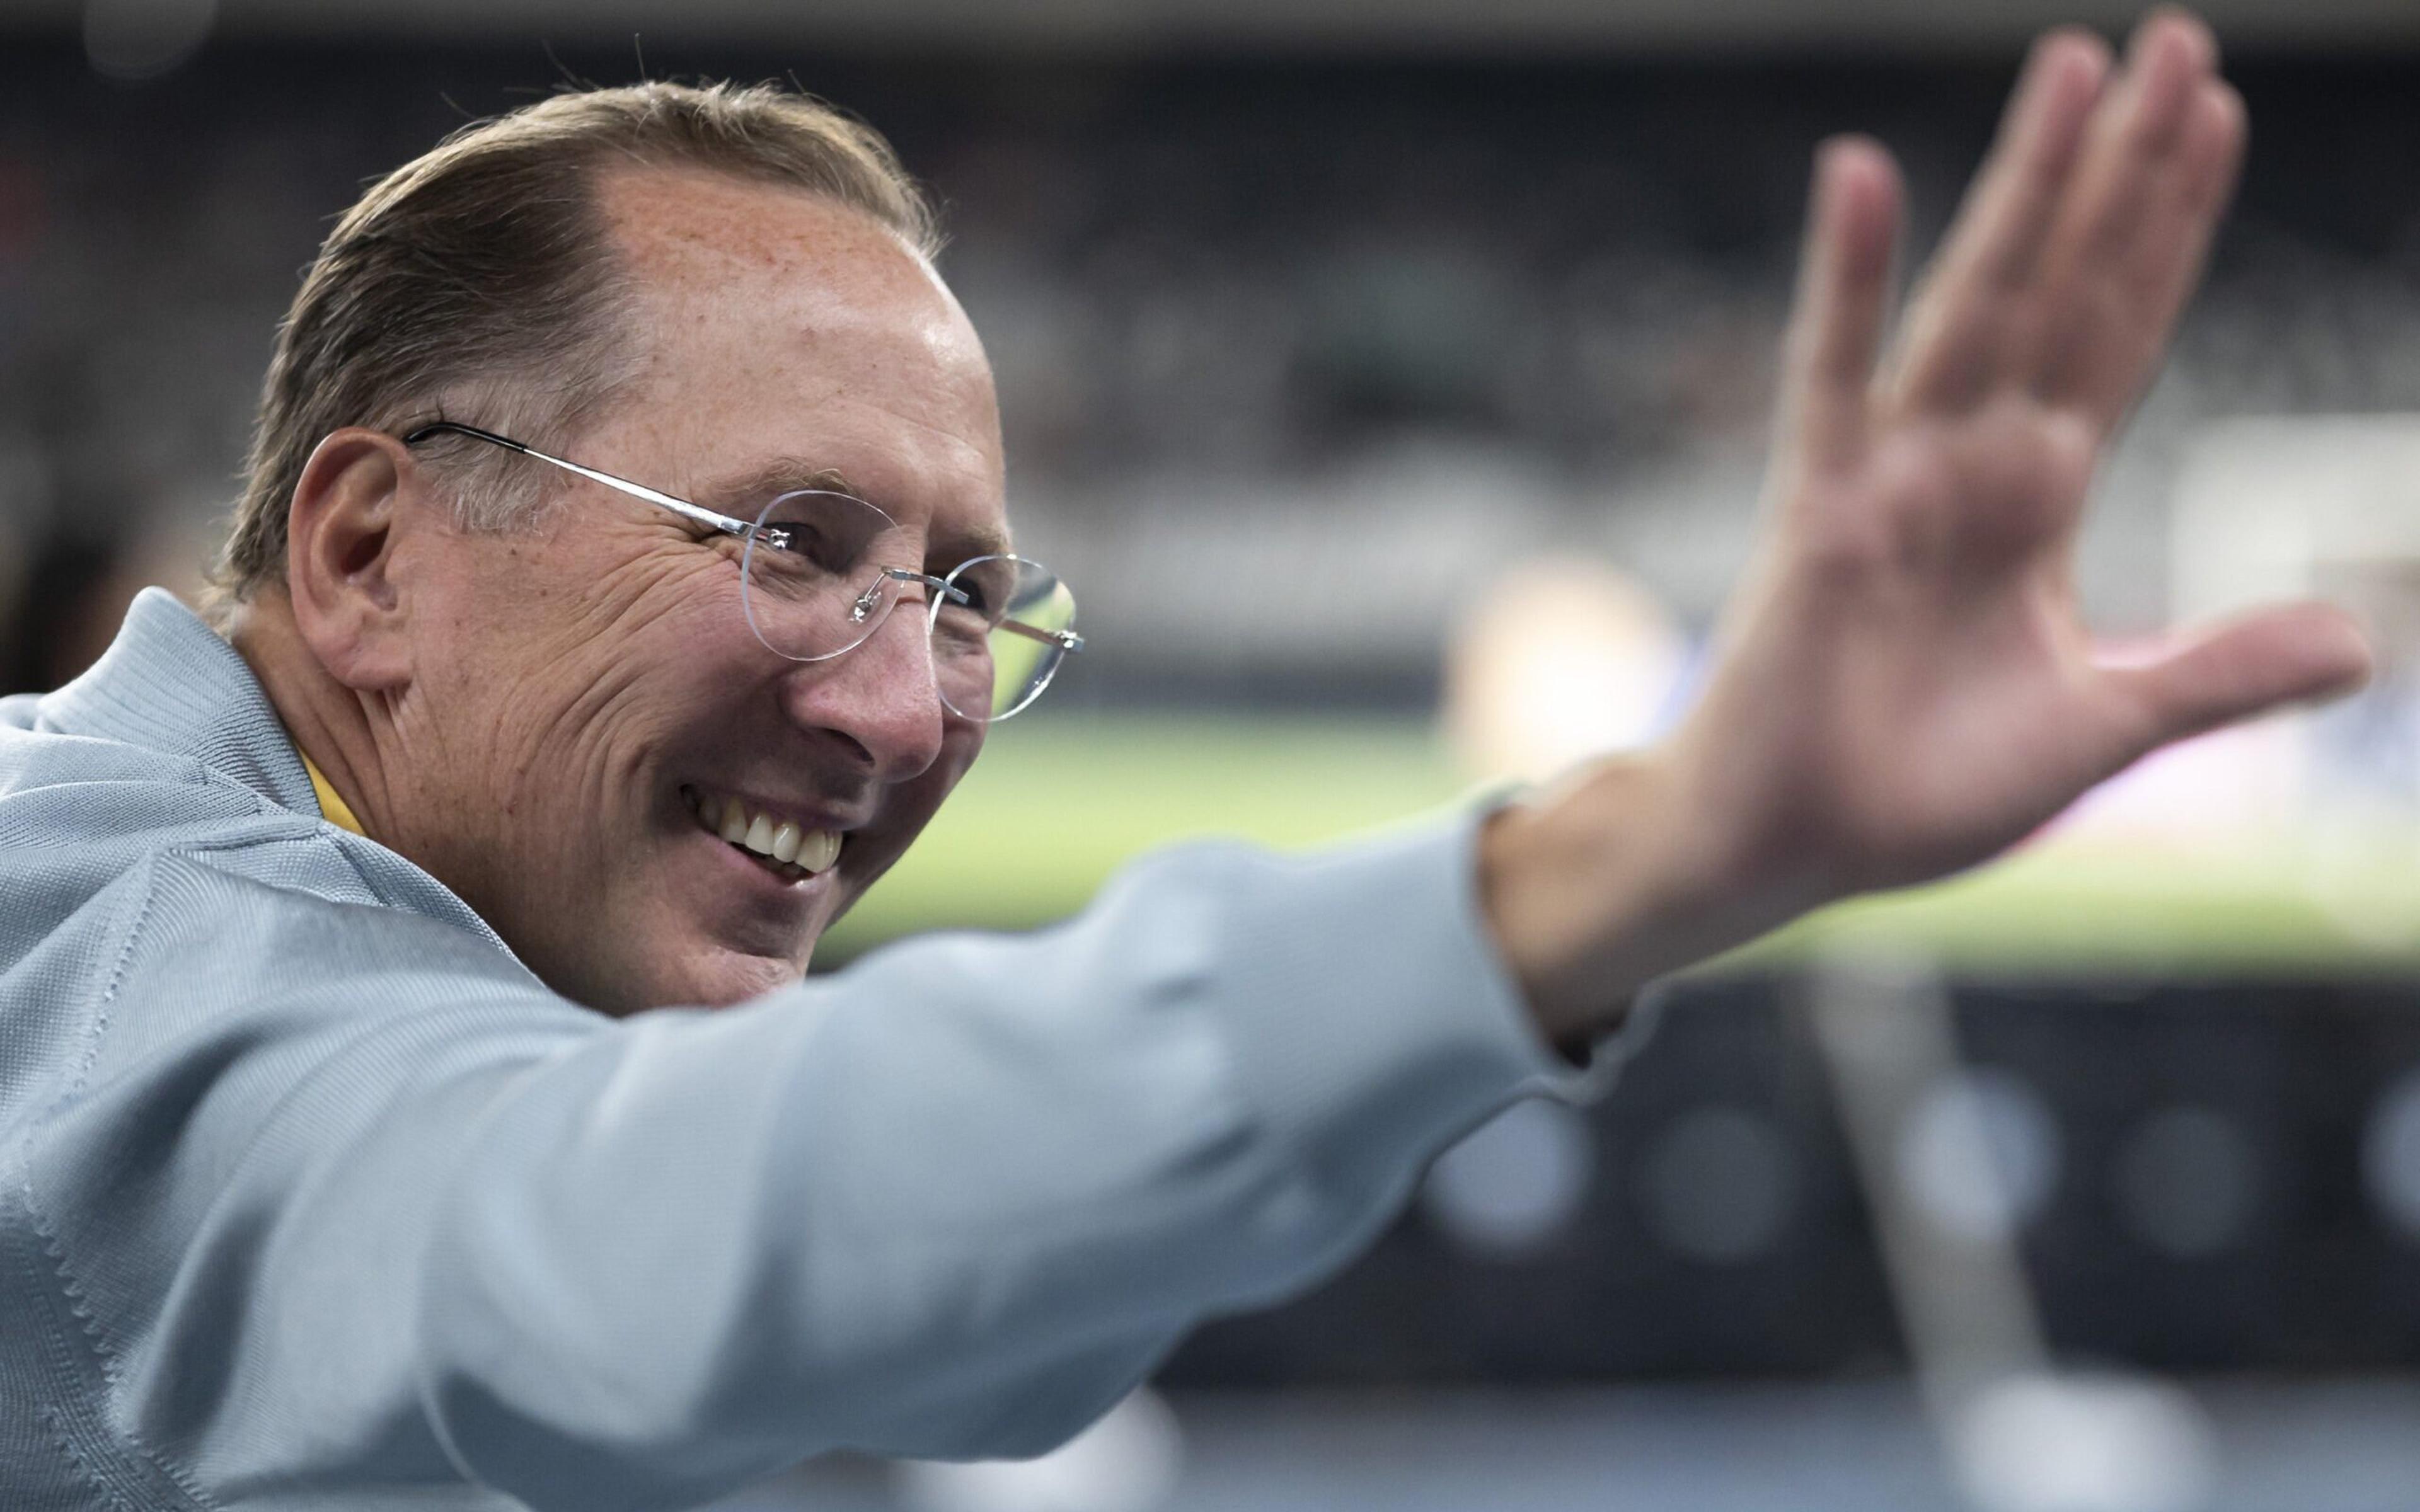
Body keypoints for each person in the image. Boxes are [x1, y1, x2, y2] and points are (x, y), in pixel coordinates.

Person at [0, 11, 2371, 1510]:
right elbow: (640, 1236)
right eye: (791, 542)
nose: (906, 705)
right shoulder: (125, 989)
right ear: (372, 556)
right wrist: (1628, 855)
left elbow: (934, 1341)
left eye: (959, 593)